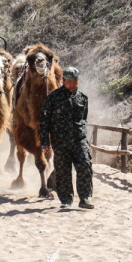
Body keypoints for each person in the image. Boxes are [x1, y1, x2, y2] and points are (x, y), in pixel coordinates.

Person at [39, 66, 94, 209]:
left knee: (85, 164)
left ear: (78, 81)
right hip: (60, 141)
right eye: (69, 81)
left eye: (74, 81)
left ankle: (84, 198)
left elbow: (83, 119)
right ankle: (66, 200)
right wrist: (45, 141)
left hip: (79, 139)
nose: (72, 83)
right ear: (63, 80)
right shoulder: (53, 97)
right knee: (63, 170)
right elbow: (44, 121)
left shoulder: (82, 98)